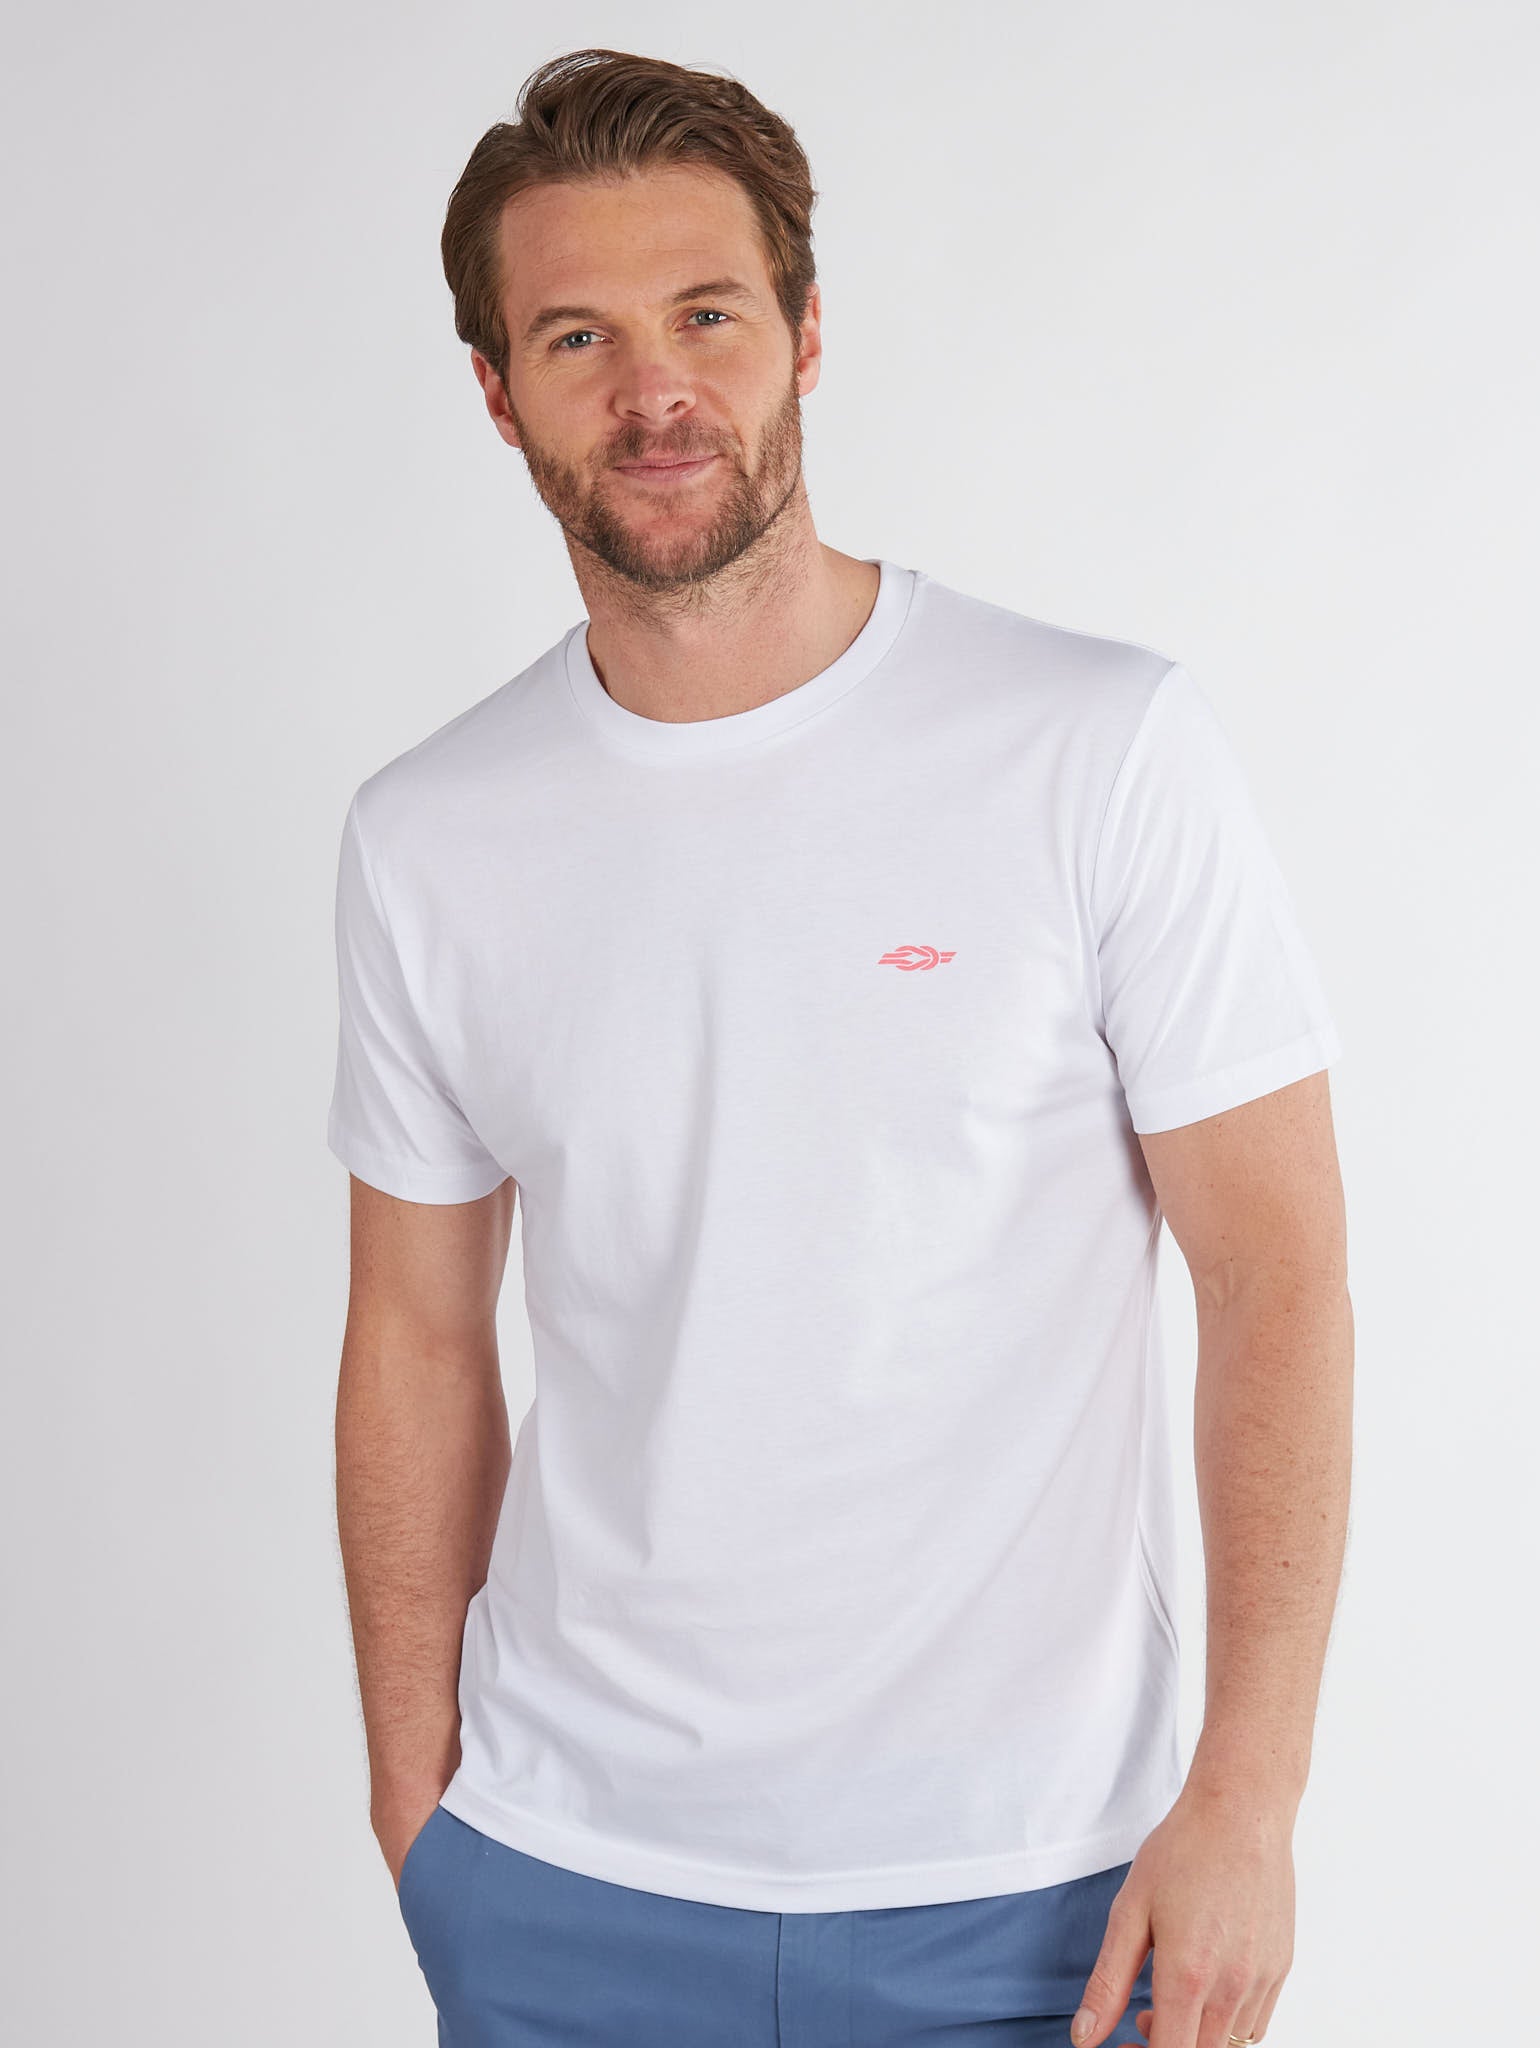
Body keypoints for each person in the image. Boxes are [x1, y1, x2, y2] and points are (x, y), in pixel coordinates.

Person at [326, 45, 1352, 2048]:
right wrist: (416, 1808)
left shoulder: (1095, 746)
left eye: (707, 314)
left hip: (1041, 1899)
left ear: (805, 334)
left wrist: (1248, 1794)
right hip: (562, 1882)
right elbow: (417, 1336)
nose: (655, 389)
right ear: (499, 393)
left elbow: (1276, 1274)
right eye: (578, 337)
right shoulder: (428, 836)